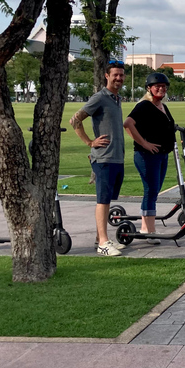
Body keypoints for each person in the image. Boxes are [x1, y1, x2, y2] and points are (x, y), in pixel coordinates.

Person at [70, 60, 127, 256]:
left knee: (107, 199)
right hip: (103, 158)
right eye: (115, 75)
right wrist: (89, 142)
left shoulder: (116, 99)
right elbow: (75, 120)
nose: (118, 78)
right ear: (107, 76)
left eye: (121, 75)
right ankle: (103, 243)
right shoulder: (100, 97)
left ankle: (100, 238)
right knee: (102, 200)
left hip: (116, 157)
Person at [123, 73, 176, 244]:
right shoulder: (145, 105)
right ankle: (147, 230)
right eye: (157, 86)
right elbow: (128, 123)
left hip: (161, 155)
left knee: (155, 190)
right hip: (147, 156)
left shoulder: (162, 106)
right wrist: (144, 143)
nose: (161, 89)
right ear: (149, 88)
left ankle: (148, 226)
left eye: (163, 86)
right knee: (151, 190)